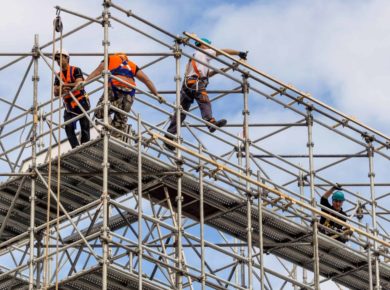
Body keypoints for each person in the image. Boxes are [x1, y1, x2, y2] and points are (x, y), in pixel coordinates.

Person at [164, 38, 248, 151]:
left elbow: (202, 73)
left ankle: (169, 135)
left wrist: (216, 71)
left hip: (187, 84)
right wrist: (238, 53)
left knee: (181, 112)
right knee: (204, 100)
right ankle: (210, 122)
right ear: (202, 45)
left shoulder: (195, 56)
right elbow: (221, 51)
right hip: (196, 83)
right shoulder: (204, 52)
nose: (209, 47)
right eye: (208, 45)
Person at [84, 53, 163, 138]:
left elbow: (98, 71)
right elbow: (147, 80)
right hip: (130, 93)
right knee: (119, 124)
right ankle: (114, 140)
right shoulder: (132, 65)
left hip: (114, 87)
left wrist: (85, 82)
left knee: (98, 113)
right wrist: (157, 94)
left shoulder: (110, 59)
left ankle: (116, 105)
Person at [54, 49, 90, 149]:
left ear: (67, 58)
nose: (58, 61)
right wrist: (62, 88)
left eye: (60, 58)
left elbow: (80, 84)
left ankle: (85, 146)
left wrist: (66, 85)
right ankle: (75, 147)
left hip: (80, 101)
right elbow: (55, 93)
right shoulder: (58, 76)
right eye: (56, 59)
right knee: (68, 127)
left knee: (85, 126)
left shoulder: (75, 70)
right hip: (69, 105)